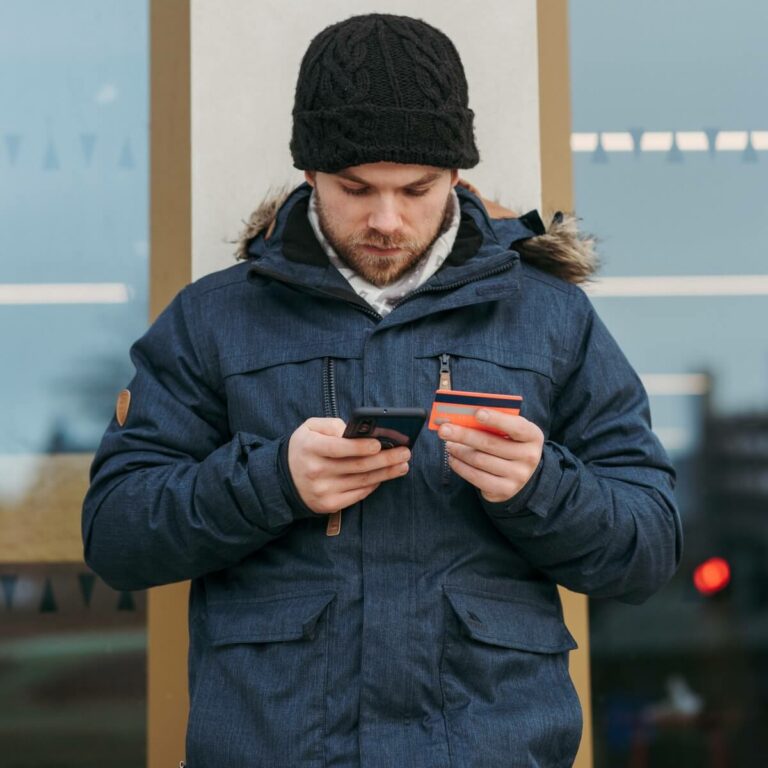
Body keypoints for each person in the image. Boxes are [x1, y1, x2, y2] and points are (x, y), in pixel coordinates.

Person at [82, 13, 682, 768]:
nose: (387, 219)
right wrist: (272, 481)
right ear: (309, 174)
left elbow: (650, 546)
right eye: (356, 187)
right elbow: (116, 534)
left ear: (458, 177)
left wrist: (542, 487)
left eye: (416, 188)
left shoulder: (552, 319)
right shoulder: (212, 319)